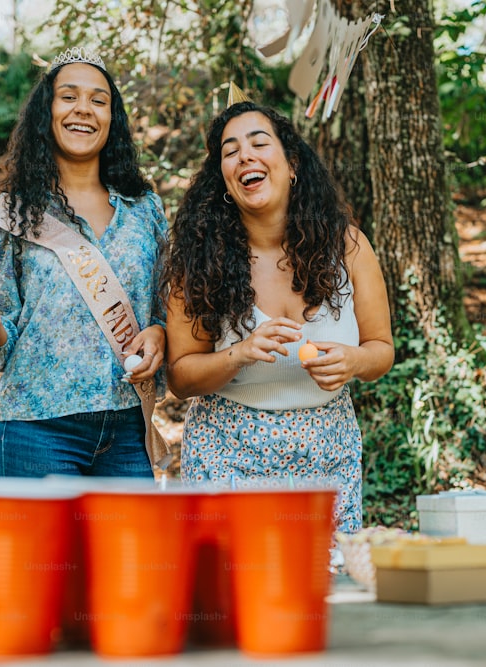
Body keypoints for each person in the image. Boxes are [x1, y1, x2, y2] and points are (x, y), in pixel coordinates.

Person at [162, 99, 394, 532]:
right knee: (233, 592)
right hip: (227, 452)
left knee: (323, 589)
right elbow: (180, 378)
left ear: (292, 165)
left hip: (329, 453)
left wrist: (354, 361)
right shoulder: (199, 261)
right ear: (225, 182)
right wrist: (241, 353)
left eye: (258, 143)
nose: (244, 155)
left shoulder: (350, 247)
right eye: (230, 151)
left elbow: (381, 349)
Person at [0, 47, 166, 479]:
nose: (83, 109)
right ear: (46, 111)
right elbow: (1, 335)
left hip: (126, 430)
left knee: (132, 552)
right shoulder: (8, 217)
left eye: (98, 100)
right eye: (68, 97)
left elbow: (164, 305)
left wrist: (160, 330)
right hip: (36, 430)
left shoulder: (145, 210)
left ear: (112, 117)